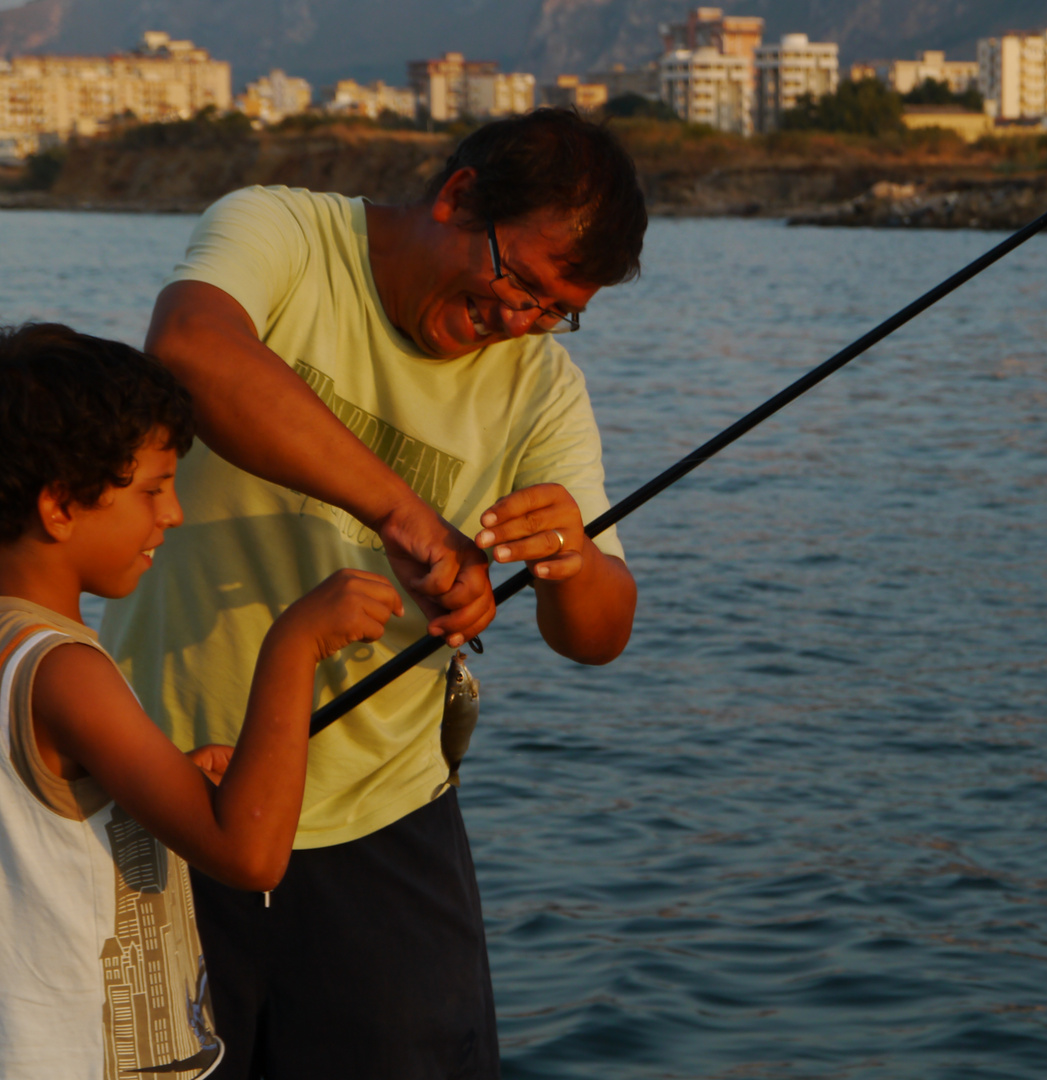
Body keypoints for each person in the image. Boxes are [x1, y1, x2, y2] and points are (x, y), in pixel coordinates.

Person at [101, 108, 648, 1077]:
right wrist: (406, 514)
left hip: (383, 826)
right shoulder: (283, 233)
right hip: (168, 793)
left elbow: (600, 632)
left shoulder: (542, 388)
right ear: (458, 197)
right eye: (518, 282)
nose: (520, 322)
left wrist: (571, 562)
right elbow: (188, 347)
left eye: (557, 310)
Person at [0, 323, 403, 1079]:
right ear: (58, 508)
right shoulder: (65, 669)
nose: (174, 513)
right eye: (152, 488)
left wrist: (152, 783)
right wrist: (293, 646)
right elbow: (248, 855)